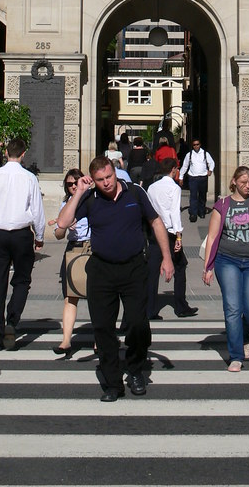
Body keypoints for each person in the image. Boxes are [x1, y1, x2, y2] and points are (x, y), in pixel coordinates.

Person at [57, 157, 173, 402]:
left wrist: (167, 257)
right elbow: (62, 222)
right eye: (100, 180)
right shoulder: (90, 198)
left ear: (115, 172)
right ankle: (112, 383)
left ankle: (135, 369)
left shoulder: (135, 193)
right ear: (93, 180)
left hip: (133, 268)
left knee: (138, 323)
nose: (106, 183)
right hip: (101, 270)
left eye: (109, 177)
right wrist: (78, 192)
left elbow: (156, 222)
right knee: (103, 328)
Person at [0, 138, 46, 352]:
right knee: (22, 280)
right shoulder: (29, 178)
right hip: (22, 234)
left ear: (6, 154)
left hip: (0, 234)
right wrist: (39, 235)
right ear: (24, 154)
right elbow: (37, 211)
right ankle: (12, 320)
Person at [203, 166, 249, 372]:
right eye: (243, 182)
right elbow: (213, 237)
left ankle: (244, 337)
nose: (247, 186)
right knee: (233, 308)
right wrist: (208, 265)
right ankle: (236, 355)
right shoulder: (222, 204)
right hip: (227, 260)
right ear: (234, 181)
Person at [146, 158, 198, 320]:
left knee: (152, 272)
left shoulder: (152, 188)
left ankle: (149, 309)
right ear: (174, 169)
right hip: (168, 232)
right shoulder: (174, 188)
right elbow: (175, 212)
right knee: (180, 267)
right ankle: (181, 306)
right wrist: (178, 235)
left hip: (154, 232)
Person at [49, 168, 90, 354]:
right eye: (69, 184)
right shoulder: (66, 204)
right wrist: (64, 227)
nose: (73, 186)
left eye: (76, 183)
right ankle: (66, 340)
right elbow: (58, 234)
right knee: (70, 296)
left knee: (96, 296)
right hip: (73, 247)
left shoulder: (92, 200)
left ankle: (99, 340)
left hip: (92, 248)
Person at [179, 138, 215, 221]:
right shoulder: (189, 154)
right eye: (194, 145)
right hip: (193, 178)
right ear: (192, 146)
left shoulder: (205, 153)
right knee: (193, 196)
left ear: (200, 144)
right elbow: (185, 166)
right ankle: (193, 214)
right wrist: (181, 177)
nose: (196, 146)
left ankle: (201, 211)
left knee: (202, 196)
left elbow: (211, 162)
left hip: (203, 177)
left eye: (197, 144)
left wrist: (210, 170)